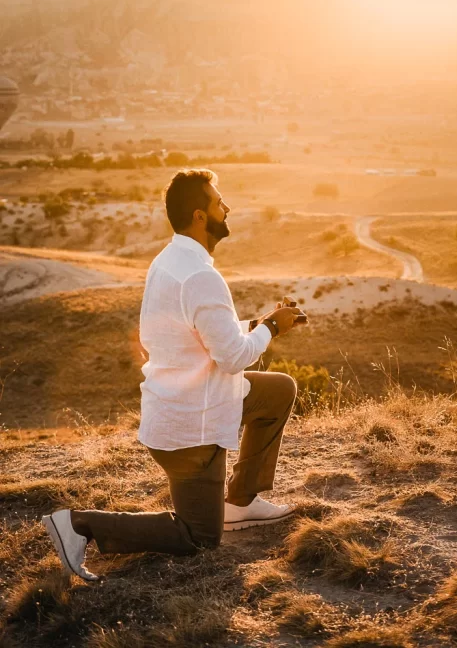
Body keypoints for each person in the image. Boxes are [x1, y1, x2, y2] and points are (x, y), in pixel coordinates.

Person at [42, 169, 306, 582]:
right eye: (220, 202)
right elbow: (235, 357)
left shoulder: (170, 260)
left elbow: (199, 331)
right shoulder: (202, 276)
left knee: (277, 391)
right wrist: (270, 328)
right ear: (201, 216)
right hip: (191, 430)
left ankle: (239, 502)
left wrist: (259, 320)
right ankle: (78, 525)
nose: (227, 208)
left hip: (183, 404)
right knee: (199, 535)